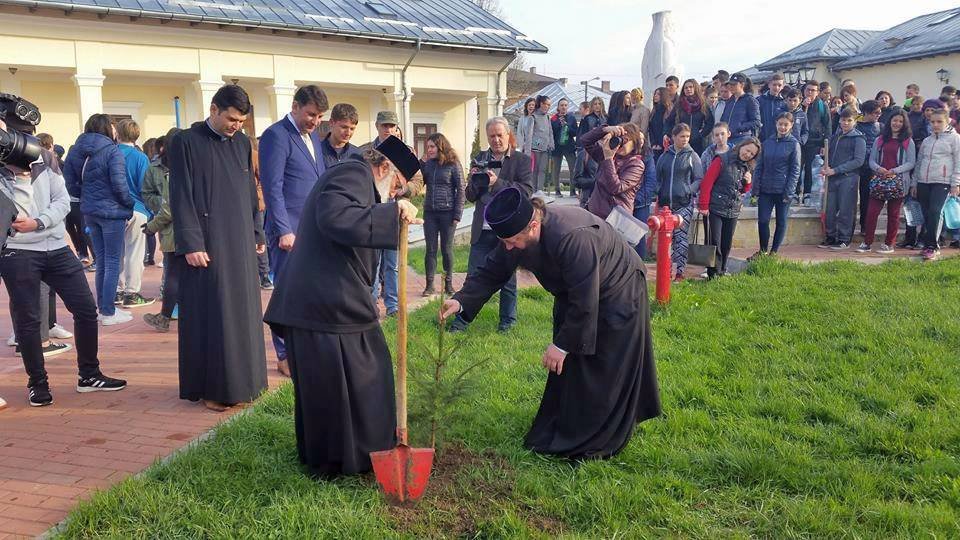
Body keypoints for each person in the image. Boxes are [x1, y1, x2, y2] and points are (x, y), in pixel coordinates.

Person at [440, 189, 661, 459]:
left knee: (604, 366)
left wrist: (562, 345)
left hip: (619, 290)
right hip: (577, 294)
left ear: (533, 226)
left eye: (512, 241)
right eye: (504, 242)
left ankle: (598, 437)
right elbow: (493, 270)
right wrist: (461, 300)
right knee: (571, 367)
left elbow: (585, 300)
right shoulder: (516, 236)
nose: (508, 247)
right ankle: (568, 426)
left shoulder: (573, 237)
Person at [263, 138, 422, 477]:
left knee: (348, 378)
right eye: (397, 186)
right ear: (384, 168)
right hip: (322, 303)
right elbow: (334, 217)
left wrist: (388, 212)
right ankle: (346, 458)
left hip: (328, 301)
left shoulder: (357, 177)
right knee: (355, 375)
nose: (395, 194)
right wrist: (392, 212)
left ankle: (349, 456)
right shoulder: (353, 173)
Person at [0, 114, 127, 407]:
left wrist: (40, 222)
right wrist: (19, 177)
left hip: (57, 247)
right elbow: (13, 215)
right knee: (29, 321)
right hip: (19, 252)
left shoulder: (44, 158)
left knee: (86, 310)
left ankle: (89, 375)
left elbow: (62, 200)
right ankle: (38, 384)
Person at [168, 84, 267, 411]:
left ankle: (247, 383)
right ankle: (212, 388)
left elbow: (250, 191)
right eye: (231, 119)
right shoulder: (185, 141)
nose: (236, 126)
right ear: (214, 110)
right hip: (207, 243)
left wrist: (257, 232)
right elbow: (180, 194)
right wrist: (191, 242)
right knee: (213, 315)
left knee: (242, 313)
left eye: (241, 121)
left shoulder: (242, 143)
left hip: (240, 240)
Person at [259, 85, 329, 376]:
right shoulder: (276, 136)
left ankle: (305, 349)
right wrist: (284, 230)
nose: (315, 121)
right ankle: (284, 355)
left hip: (312, 230)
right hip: (287, 233)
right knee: (287, 294)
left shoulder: (314, 137)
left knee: (310, 293)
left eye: (320, 116)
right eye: (311, 114)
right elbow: (272, 187)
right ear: (295, 106)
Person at [449, 117, 533, 334]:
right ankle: (461, 322)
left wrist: (497, 183)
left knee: (507, 280)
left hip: (507, 231)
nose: (496, 140)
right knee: (472, 278)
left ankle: (507, 323)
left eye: (499, 135)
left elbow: (526, 191)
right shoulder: (480, 158)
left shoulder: (521, 160)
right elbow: (470, 196)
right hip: (482, 230)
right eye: (491, 136)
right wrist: (474, 181)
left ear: (508, 135)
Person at [62, 114, 134, 325]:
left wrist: (87, 195)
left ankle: (104, 308)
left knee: (102, 260)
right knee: (112, 261)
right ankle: (108, 311)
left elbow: (70, 183)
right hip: (112, 212)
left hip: (89, 211)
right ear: (107, 128)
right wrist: (129, 204)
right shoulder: (112, 151)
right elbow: (120, 185)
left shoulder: (75, 150)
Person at [362, 111, 405, 317]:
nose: (388, 129)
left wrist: (403, 190)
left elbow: (417, 180)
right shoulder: (365, 151)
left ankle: (392, 305)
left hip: (394, 213)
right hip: (372, 213)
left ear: (396, 128)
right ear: (377, 126)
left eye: (391, 126)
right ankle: (371, 304)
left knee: (391, 264)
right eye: (384, 125)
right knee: (373, 262)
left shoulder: (403, 152)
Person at [698, 138, 758, 276]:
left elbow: (742, 190)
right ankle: (713, 273)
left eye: (752, 154)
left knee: (726, 242)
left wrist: (748, 183)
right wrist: (704, 205)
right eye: (747, 150)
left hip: (733, 209)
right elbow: (707, 183)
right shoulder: (721, 160)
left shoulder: (746, 167)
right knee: (715, 242)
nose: (748, 155)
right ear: (741, 146)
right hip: (715, 207)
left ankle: (723, 270)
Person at [860, 110, 915, 254]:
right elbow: (871, 160)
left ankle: (889, 243)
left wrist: (894, 171)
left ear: (904, 124)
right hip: (880, 180)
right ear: (890, 121)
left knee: (894, 214)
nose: (897, 123)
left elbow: (911, 162)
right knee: (871, 213)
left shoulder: (908, 141)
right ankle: (867, 242)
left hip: (898, 182)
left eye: (900, 121)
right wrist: (879, 169)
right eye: (894, 120)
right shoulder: (880, 139)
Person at [141, 132, 181, 332]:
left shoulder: (179, 171)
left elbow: (169, 209)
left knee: (173, 274)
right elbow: (150, 195)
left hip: (176, 231)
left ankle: (164, 316)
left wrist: (152, 226)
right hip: (178, 231)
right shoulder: (156, 169)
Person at [655, 123, 704, 281]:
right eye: (682, 136)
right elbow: (657, 177)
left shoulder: (692, 156)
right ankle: (666, 271)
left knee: (681, 238)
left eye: (687, 136)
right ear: (674, 137)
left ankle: (680, 272)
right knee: (666, 239)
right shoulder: (664, 156)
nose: (685, 139)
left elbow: (699, 178)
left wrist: (688, 190)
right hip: (665, 205)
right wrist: (658, 191)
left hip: (684, 203)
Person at [114, 119, 154, 308]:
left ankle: (117, 290)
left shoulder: (109, 154)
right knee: (135, 253)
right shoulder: (140, 157)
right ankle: (131, 293)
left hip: (113, 210)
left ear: (117, 134)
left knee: (117, 253)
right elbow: (145, 187)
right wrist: (150, 211)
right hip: (136, 209)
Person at [420, 132, 464, 296]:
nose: (429, 150)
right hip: (430, 213)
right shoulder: (428, 164)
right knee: (430, 250)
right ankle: (429, 285)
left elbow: (461, 189)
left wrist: (457, 214)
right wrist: (421, 163)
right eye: (428, 147)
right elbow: (419, 180)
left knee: (446, 249)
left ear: (440, 146)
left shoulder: (453, 164)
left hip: (448, 213)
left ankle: (448, 284)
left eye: (432, 147)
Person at [913, 109, 960, 261]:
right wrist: (914, 183)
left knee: (935, 212)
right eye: (932, 122)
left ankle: (932, 247)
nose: (935, 124)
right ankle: (930, 243)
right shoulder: (927, 140)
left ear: (947, 121)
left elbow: (958, 162)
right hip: (923, 182)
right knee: (927, 214)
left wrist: (955, 183)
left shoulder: (955, 139)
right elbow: (919, 163)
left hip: (943, 182)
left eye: (939, 121)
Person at [753, 113, 801, 255]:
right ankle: (762, 251)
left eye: (786, 124)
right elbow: (759, 167)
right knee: (763, 221)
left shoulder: (794, 144)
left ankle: (774, 252)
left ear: (791, 125)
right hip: (766, 189)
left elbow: (795, 170)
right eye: (780, 124)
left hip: (783, 190)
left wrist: (789, 191)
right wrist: (756, 188)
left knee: (781, 221)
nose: (783, 127)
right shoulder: (767, 142)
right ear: (776, 124)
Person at [820, 109, 866, 250]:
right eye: (843, 120)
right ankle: (830, 237)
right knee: (830, 208)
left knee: (846, 210)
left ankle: (844, 239)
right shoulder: (835, 137)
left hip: (848, 178)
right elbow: (829, 156)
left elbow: (858, 161)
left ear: (855, 122)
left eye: (849, 120)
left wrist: (836, 170)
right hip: (832, 178)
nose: (845, 123)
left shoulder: (859, 138)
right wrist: (825, 165)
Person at [579, 122, 645, 219]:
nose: (621, 144)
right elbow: (585, 141)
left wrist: (608, 159)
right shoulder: (607, 154)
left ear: (635, 143)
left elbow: (616, 188)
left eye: (625, 140)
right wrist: (605, 129)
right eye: (619, 139)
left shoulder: (636, 164)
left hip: (616, 218)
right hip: (595, 214)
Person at [800, 81, 831, 203]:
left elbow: (827, 126)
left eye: (813, 90)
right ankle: (796, 192)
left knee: (810, 167)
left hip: (815, 141)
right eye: (808, 90)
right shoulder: (798, 103)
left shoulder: (822, 106)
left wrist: (825, 144)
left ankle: (807, 193)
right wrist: (803, 107)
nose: (810, 92)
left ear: (817, 92)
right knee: (797, 167)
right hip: (799, 140)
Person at [666, 78, 714, 155]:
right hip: (681, 141)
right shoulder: (679, 104)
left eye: (691, 87)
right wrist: (672, 135)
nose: (688, 89)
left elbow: (710, 122)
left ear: (695, 88)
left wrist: (701, 134)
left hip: (697, 142)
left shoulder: (703, 104)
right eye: (686, 88)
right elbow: (669, 121)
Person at [856, 100, 883, 235]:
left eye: (879, 112)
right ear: (866, 113)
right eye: (875, 113)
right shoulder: (856, 125)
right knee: (858, 197)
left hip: (873, 167)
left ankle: (866, 225)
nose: (878, 115)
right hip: (857, 165)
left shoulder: (881, 127)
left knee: (869, 197)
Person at [250, 136, 272, 290]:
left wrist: (258, 194)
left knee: (259, 237)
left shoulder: (254, 155)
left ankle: (264, 275)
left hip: (256, 204)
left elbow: (263, 178)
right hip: (238, 204)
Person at [719, 72, 761, 144]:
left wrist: (739, 127)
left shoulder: (750, 100)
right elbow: (723, 119)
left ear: (742, 85)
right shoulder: (730, 101)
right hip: (727, 139)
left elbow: (756, 122)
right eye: (730, 84)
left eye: (734, 84)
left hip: (742, 139)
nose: (731, 86)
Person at [550, 98, 578, 197]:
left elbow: (575, 132)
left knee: (573, 169)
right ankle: (557, 190)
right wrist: (559, 125)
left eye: (565, 105)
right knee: (556, 169)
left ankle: (572, 190)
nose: (563, 107)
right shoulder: (553, 118)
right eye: (562, 105)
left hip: (569, 147)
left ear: (568, 107)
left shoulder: (572, 118)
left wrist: (567, 126)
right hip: (557, 147)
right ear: (558, 107)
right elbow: (551, 133)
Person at [320, 103, 360, 168]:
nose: (348, 133)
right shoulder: (316, 151)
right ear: (331, 122)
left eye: (352, 129)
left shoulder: (357, 155)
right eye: (344, 127)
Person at [530, 95, 554, 194]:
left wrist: (551, 143)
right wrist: (536, 144)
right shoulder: (533, 116)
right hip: (535, 148)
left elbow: (550, 132)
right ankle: (533, 189)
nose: (547, 107)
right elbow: (530, 133)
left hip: (546, 148)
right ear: (541, 104)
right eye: (546, 104)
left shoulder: (547, 117)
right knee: (535, 170)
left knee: (542, 169)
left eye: (549, 105)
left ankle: (540, 189)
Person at [757, 73, 787, 141]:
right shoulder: (759, 100)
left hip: (778, 139)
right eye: (774, 85)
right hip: (762, 139)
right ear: (769, 85)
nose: (776, 87)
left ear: (782, 86)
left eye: (779, 85)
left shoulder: (784, 102)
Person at [649, 85, 673, 158]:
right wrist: (653, 143)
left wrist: (660, 143)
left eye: (658, 94)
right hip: (655, 145)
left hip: (665, 144)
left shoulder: (669, 110)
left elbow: (666, 127)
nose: (655, 96)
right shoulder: (654, 111)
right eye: (655, 94)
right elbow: (651, 128)